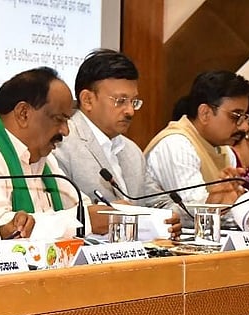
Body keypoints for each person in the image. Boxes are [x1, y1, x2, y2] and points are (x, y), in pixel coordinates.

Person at [0, 67, 104, 243]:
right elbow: (5, 229)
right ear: (23, 113)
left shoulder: (42, 157)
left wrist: (104, 214)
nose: (65, 130)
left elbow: (81, 206)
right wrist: (86, 220)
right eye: (59, 119)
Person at [53, 49, 179, 238]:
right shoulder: (61, 144)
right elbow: (62, 213)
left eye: (134, 101)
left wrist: (173, 217)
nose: (130, 111)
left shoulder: (131, 150)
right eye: (120, 101)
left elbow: (157, 202)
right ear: (87, 100)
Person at [145, 70, 249, 226]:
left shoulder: (225, 150)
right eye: (235, 116)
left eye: (244, 118)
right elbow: (193, 213)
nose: (243, 126)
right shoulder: (176, 144)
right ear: (205, 113)